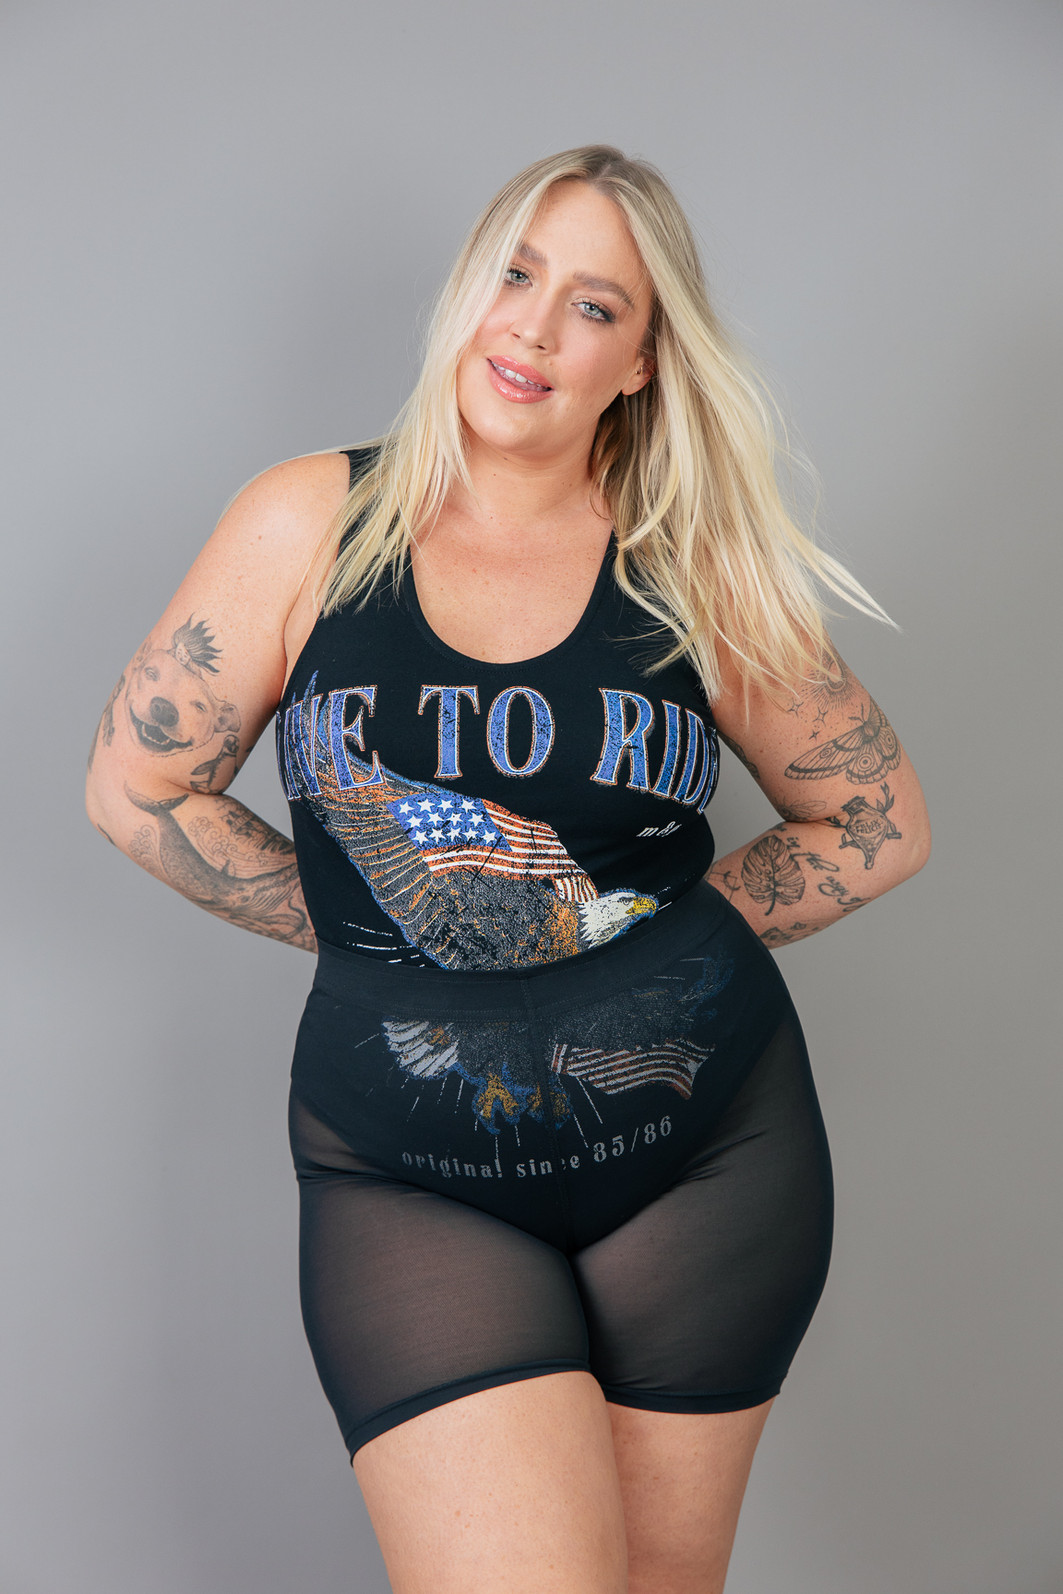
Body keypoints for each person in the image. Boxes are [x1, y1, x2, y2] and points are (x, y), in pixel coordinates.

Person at [86, 145, 930, 1594]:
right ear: (468, 289)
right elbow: (138, 785)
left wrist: (635, 943)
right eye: (516, 273)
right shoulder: (310, 522)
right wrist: (399, 927)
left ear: (643, 361)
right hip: (414, 1183)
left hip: (705, 1165)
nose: (534, 327)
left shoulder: (691, 563)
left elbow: (878, 820)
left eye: (594, 305)